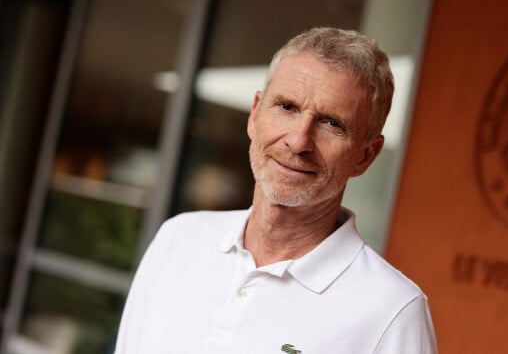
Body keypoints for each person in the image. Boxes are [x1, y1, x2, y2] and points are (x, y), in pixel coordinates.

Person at [114, 27, 438, 354]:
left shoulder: (393, 311)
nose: (298, 141)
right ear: (255, 114)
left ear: (365, 156)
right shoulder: (178, 240)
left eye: (332, 124)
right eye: (287, 107)